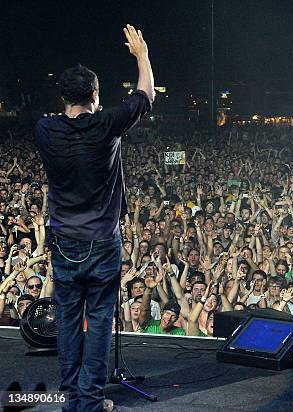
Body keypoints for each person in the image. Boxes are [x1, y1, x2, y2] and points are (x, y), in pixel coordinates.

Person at [34, 24, 154, 412]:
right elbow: (145, 95)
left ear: (63, 97)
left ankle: (72, 399)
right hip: (102, 241)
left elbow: (63, 118)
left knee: (68, 320)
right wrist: (141, 56)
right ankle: (89, 399)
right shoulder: (106, 125)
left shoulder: (45, 129)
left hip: (64, 241)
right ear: (95, 96)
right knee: (100, 319)